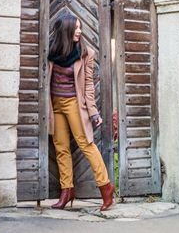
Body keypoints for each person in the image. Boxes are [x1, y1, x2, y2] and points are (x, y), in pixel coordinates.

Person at [48, 13, 115, 211]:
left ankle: (106, 187)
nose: (79, 31)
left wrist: (93, 112)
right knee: (60, 147)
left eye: (80, 27)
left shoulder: (86, 53)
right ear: (65, 30)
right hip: (55, 104)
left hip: (74, 105)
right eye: (76, 27)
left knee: (86, 144)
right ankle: (67, 190)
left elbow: (88, 86)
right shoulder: (51, 49)